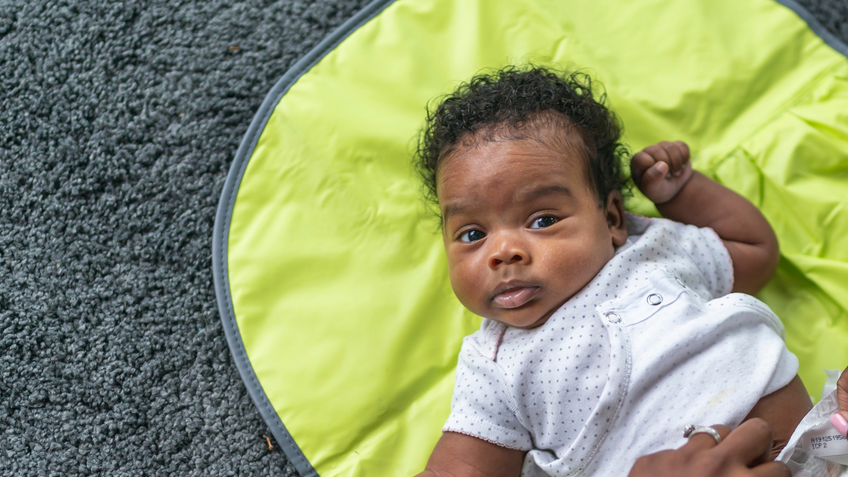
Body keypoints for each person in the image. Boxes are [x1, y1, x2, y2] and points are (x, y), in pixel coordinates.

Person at [412, 66, 814, 476]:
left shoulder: (654, 248)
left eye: (542, 221)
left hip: (825, 451)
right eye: (473, 233)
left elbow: (755, 252)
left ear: (612, 219)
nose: (503, 252)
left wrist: (683, 194)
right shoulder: (493, 364)